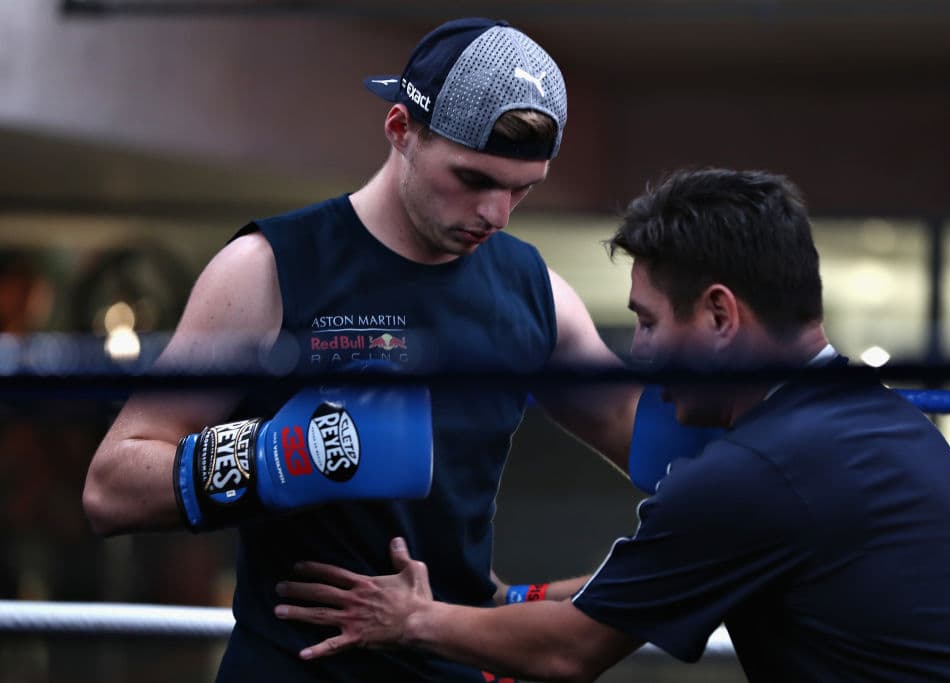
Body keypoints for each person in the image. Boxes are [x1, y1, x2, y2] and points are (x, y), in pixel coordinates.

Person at [273, 168, 950, 682]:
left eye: (650, 321)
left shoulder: (760, 469)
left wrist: (409, 619)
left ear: (720, 315)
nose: (643, 352)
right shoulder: (857, 412)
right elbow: (655, 575)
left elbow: (572, 652)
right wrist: (505, 600)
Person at [82, 17, 642, 683]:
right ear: (401, 129)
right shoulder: (269, 269)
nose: (496, 213)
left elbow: (664, 450)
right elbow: (111, 487)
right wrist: (281, 455)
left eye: (522, 188)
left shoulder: (533, 291)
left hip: (453, 666)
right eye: (472, 178)